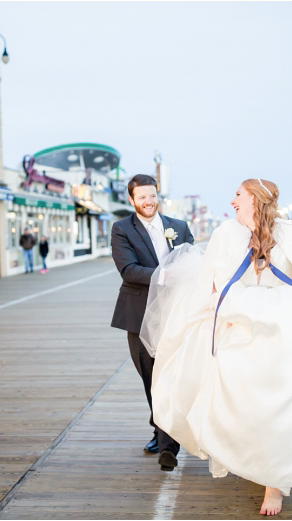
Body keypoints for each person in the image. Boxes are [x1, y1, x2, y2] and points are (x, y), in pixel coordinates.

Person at [140, 178, 292, 516]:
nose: (233, 201)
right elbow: (211, 288)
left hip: (284, 335)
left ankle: (276, 485)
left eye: (238, 195)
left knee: (286, 406)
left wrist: (274, 304)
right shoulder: (226, 234)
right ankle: (256, 461)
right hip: (239, 330)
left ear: (255, 198)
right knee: (242, 405)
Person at [111, 174, 194, 471]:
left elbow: (193, 263)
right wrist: (165, 276)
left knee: (174, 374)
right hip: (139, 314)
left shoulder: (179, 227)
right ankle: (159, 426)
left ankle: (167, 443)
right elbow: (129, 270)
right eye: (142, 197)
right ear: (131, 200)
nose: (148, 202)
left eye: (152, 195)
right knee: (150, 377)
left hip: (178, 313)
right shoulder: (121, 230)